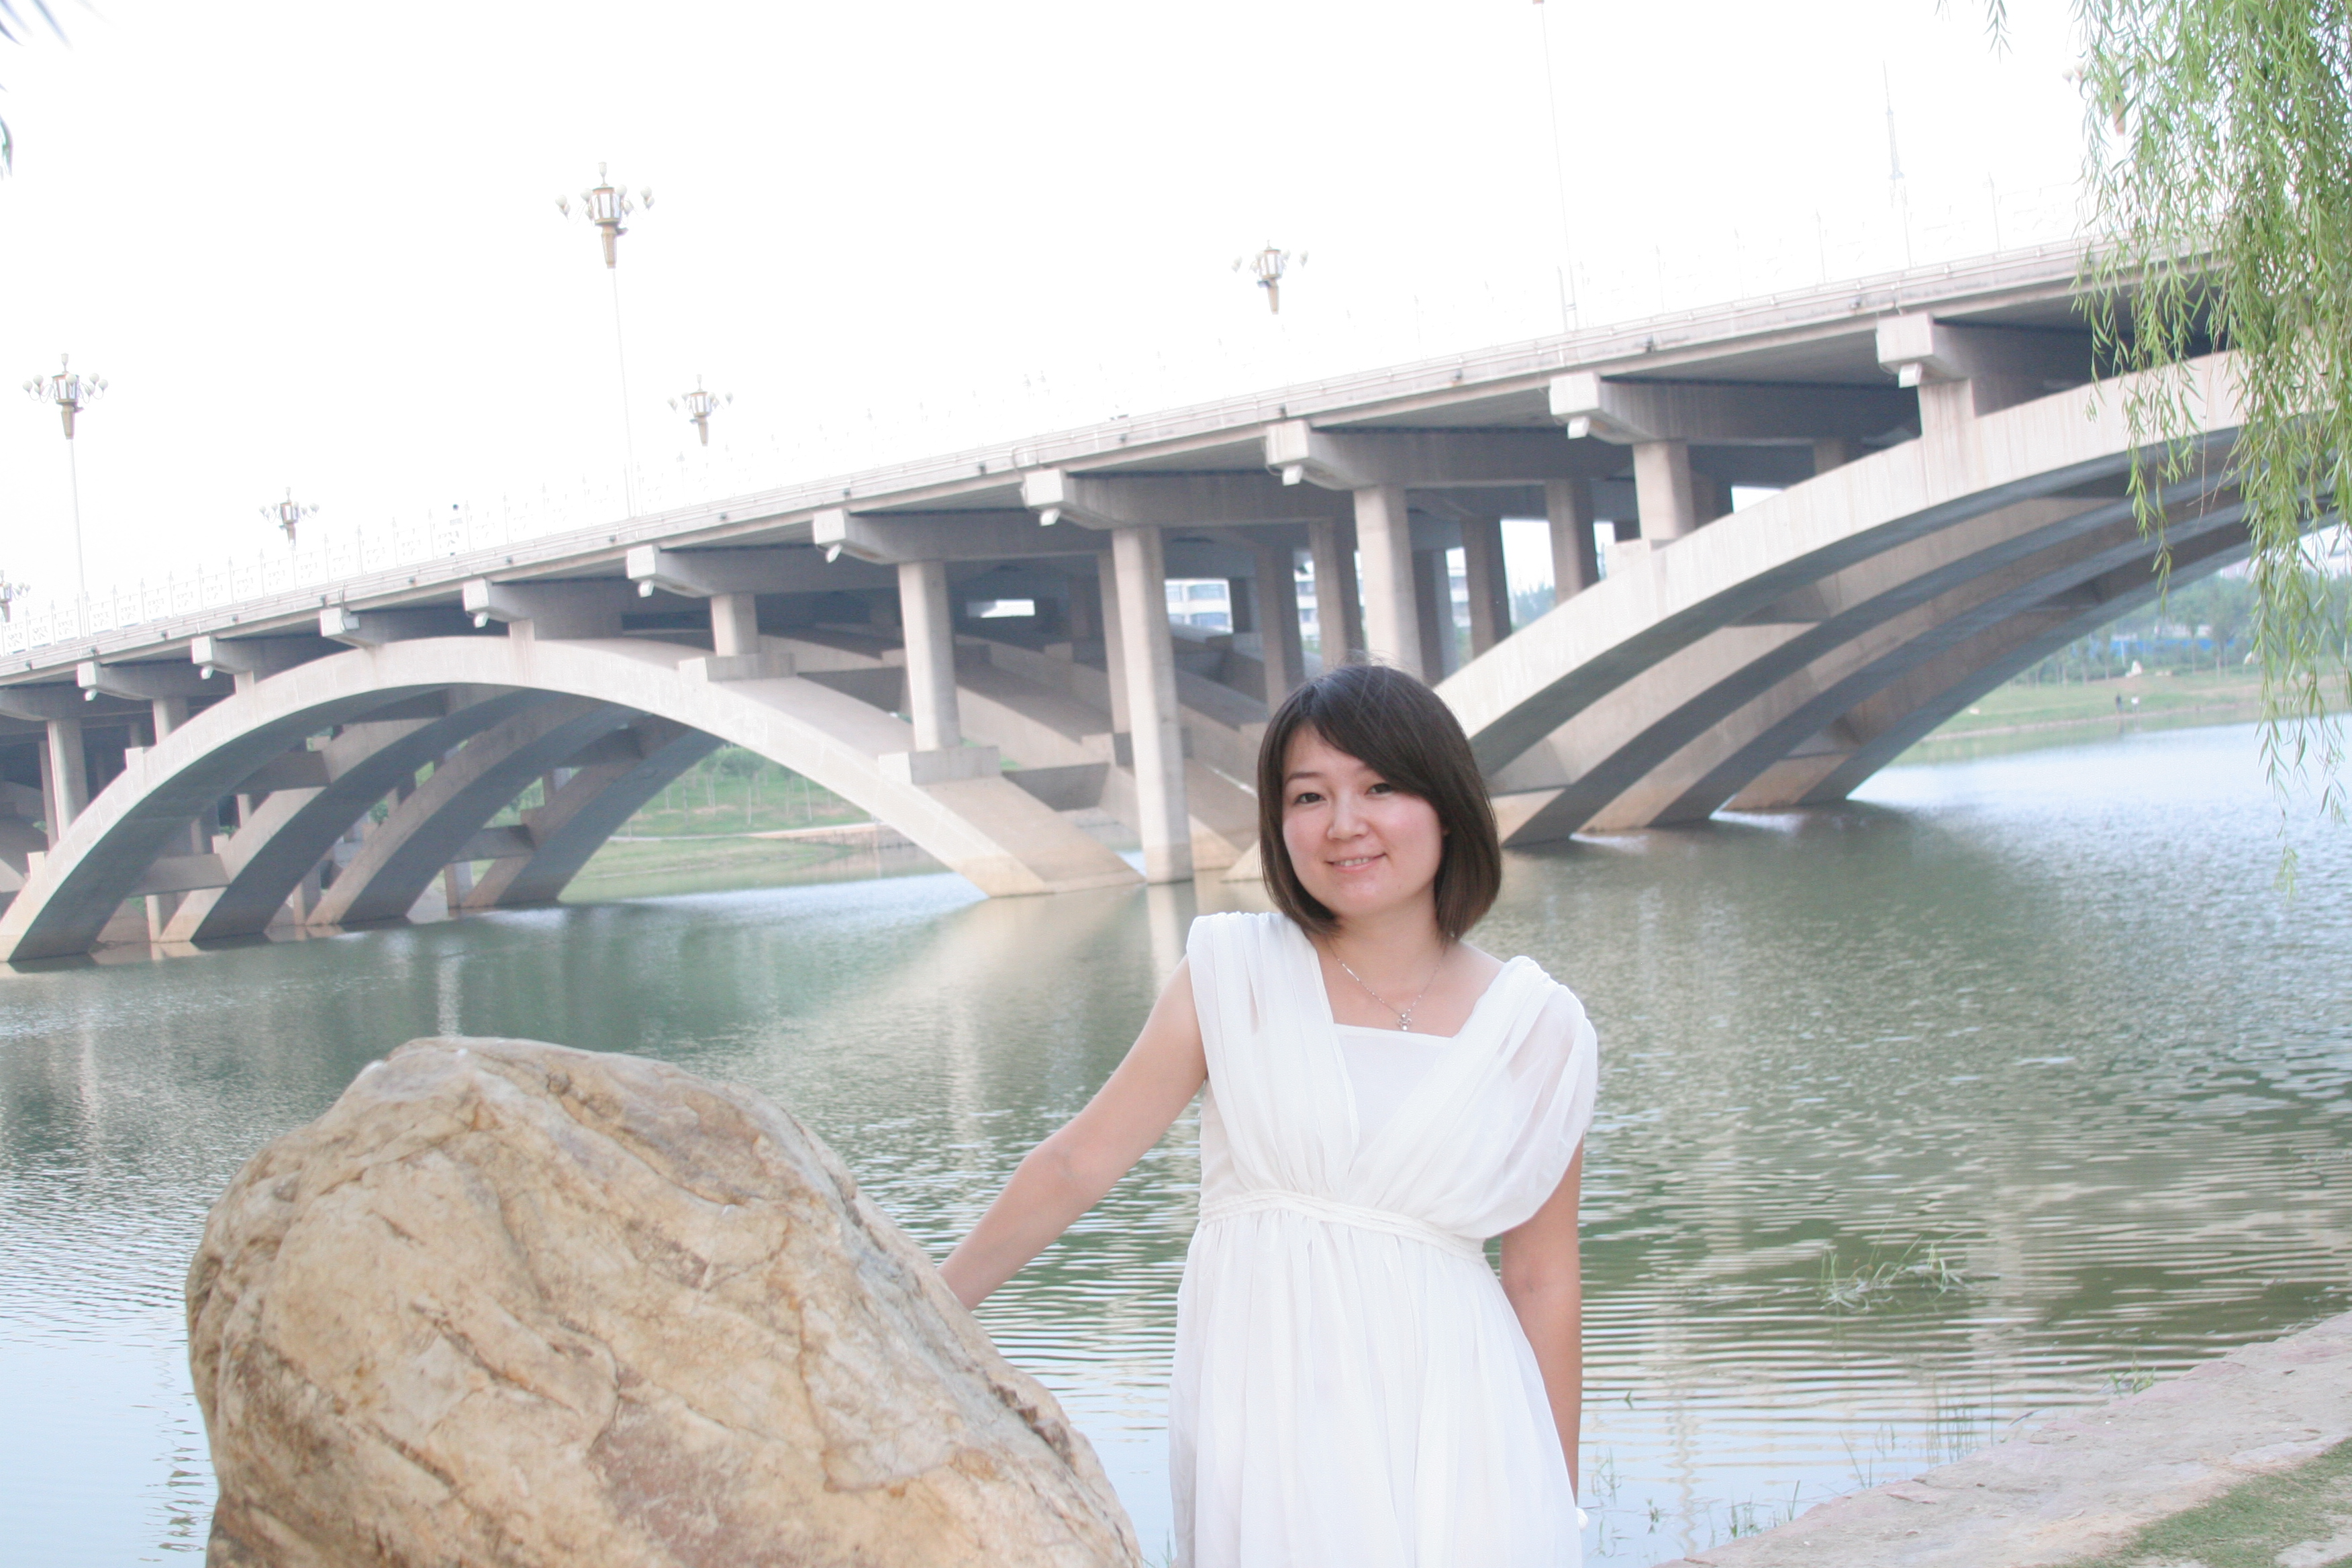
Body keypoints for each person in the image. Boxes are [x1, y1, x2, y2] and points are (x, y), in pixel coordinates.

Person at [940, 663, 1599, 1567]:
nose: (1343, 824)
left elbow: (1541, 1280)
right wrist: (923, 1308)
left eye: (1381, 787)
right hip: (1268, 1419)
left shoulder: (1538, 1026)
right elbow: (1077, 1164)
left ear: (1447, 806)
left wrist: (1558, 1501)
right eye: (1308, 796)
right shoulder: (1233, 973)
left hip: (1463, 1427)